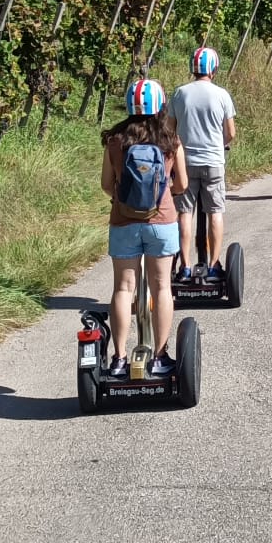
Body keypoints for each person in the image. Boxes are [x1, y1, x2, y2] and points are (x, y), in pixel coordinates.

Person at [100, 79, 187, 378]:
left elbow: (106, 185)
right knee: (162, 287)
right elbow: (182, 185)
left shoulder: (115, 140)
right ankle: (159, 356)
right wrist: (162, 193)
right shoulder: (170, 140)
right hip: (161, 223)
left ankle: (120, 357)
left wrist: (125, 200)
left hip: (123, 222)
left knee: (123, 289)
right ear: (160, 105)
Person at [170, 46, 236, 283]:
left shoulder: (180, 94)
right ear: (214, 69)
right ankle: (213, 265)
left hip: (185, 163)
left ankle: (185, 267)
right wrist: (222, 144)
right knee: (215, 212)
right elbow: (230, 133)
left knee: (184, 213)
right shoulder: (221, 95)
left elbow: (170, 129)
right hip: (213, 163)